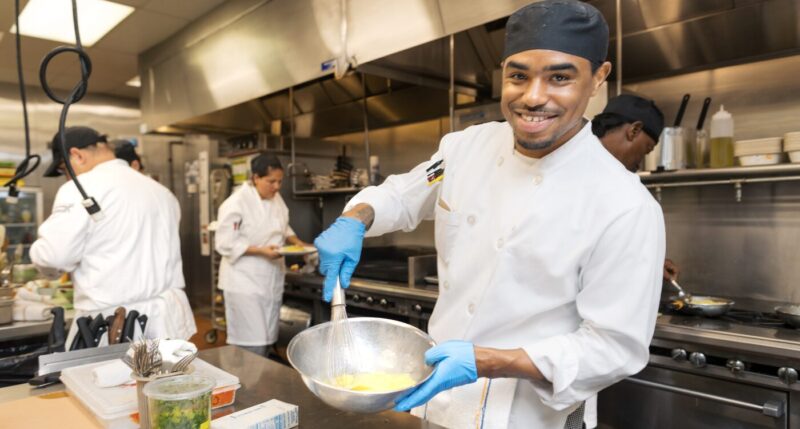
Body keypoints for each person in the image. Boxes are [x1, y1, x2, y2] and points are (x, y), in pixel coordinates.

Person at [313, 1, 665, 428]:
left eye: (559, 77)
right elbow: (404, 195)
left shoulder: (624, 204)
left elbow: (614, 348)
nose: (534, 97)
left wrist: (488, 361)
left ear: (598, 79)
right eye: (518, 76)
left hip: (531, 415)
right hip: (438, 401)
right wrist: (357, 218)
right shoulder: (466, 149)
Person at [31, 126, 196, 344]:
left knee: (111, 378)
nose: (66, 178)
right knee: (167, 377)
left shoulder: (80, 188)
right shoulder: (161, 192)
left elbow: (54, 257)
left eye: (64, 170)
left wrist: (42, 261)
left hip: (112, 326)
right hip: (166, 321)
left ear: (77, 156)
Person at [214, 153, 311, 356]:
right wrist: (261, 251)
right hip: (244, 283)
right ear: (255, 178)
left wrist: (301, 245)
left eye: (280, 181)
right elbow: (224, 243)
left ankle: (260, 384)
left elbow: (283, 228)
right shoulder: (236, 203)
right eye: (271, 181)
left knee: (266, 340)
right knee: (250, 344)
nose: (276, 187)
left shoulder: (276, 199)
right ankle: (244, 384)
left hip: (270, 279)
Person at [591, 94, 680, 284]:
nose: (640, 162)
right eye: (646, 149)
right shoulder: (586, 171)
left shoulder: (605, 173)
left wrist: (648, 262)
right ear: (634, 130)